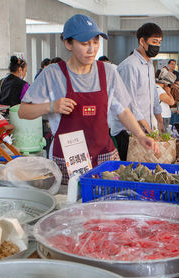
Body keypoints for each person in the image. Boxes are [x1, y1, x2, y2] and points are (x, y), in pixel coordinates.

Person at [19, 14, 158, 183]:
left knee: (108, 203)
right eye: (85, 44)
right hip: (69, 159)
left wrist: (140, 135)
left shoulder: (108, 72)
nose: (92, 49)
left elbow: (122, 110)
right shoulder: (52, 74)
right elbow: (23, 111)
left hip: (104, 156)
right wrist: (51, 106)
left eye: (95, 42)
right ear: (68, 43)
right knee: (72, 203)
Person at [111, 22, 164, 160]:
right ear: (142, 41)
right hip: (127, 132)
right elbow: (129, 104)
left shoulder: (149, 65)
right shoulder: (129, 66)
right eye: (154, 41)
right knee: (128, 172)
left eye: (159, 42)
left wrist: (160, 121)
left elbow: (153, 95)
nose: (157, 46)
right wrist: (148, 130)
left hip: (143, 131)